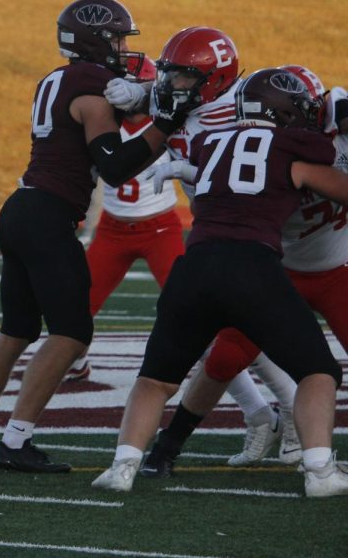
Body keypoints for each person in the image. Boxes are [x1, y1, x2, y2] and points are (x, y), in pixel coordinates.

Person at [93, 68, 348, 497]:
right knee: (289, 367)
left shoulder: (212, 140)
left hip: (307, 266)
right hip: (266, 269)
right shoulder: (306, 145)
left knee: (155, 377)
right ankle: (316, 470)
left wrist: (179, 160)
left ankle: (124, 465)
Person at [0, 0, 178, 473]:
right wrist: (167, 126)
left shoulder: (57, 79)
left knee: (16, 330)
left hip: (21, 208)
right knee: (73, 332)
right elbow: (115, 167)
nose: (121, 47)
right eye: (116, 38)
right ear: (96, 39)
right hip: (47, 215)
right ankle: (16, 440)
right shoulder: (93, 86)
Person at [104, 32, 300, 473]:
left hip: (255, 230)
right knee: (225, 331)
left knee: (239, 329)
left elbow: (260, 169)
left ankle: (287, 413)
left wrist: (191, 168)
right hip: (212, 229)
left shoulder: (244, 110)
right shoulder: (179, 98)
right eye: (170, 72)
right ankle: (268, 414)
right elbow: (154, 96)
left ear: (215, 79)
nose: (173, 83)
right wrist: (138, 92)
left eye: (184, 76)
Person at [67, 61, 183, 383]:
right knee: (76, 306)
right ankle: (76, 363)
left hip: (160, 228)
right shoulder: (101, 122)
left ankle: (205, 366)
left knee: (188, 303)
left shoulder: (169, 124)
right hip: (113, 229)